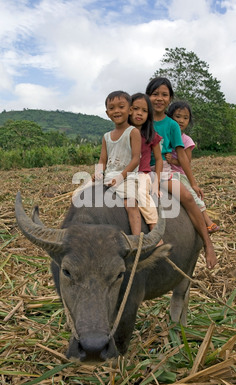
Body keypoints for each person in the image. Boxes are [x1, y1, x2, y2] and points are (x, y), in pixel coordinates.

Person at [145, 77, 217, 269]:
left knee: (187, 197)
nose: (159, 98)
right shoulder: (141, 119)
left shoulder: (172, 125)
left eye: (164, 95)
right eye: (155, 94)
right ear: (147, 96)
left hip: (163, 171)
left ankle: (207, 244)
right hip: (140, 170)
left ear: (169, 99)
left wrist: (192, 183)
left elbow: (183, 156)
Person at [166, 100, 220, 234]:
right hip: (164, 171)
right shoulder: (165, 136)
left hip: (179, 173)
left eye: (185, 118)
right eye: (177, 116)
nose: (181, 121)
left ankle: (207, 221)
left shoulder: (186, 140)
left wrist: (173, 160)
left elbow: (187, 161)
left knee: (192, 196)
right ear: (170, 117)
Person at [93, 90, 142, 235]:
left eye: (121, 107)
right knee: (79, 197)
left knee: (130, 204)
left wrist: (121, 177)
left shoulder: (133, 132)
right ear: (107, 113)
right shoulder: (106, 136)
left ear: (130, 110)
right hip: (108, 176)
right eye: (112, 108)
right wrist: (98, 172)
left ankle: (137, 239)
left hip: (127, 177)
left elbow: (135, 159)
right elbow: (102, 159)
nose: (116, 111)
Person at [128, 92, 163, 233]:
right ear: (129, 110)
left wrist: (156, 182)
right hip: (123, 173)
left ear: (149, 115)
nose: (139, 113)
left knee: (142, 195)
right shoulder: (124, 132)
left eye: (144, 110)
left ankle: (154, 228)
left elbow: (159, 159)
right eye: (136, 109)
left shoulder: (151, 135)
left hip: (142, 174)